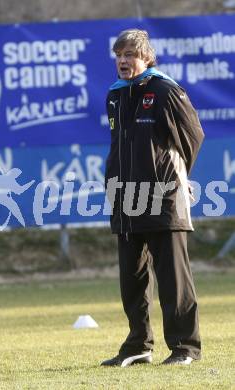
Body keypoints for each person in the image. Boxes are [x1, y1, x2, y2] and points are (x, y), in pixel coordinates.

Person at [101, 29, 204, 367]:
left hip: (164, 197)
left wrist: (177, 174)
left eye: (129, 54)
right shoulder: (115, 96)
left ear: (146, 57)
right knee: (131, 282)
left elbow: (193, 135)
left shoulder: (165, 90)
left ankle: (185, 348)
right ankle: (137, 346)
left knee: (174, 280)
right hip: (125, 198)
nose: (122, 61)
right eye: (119, 55)